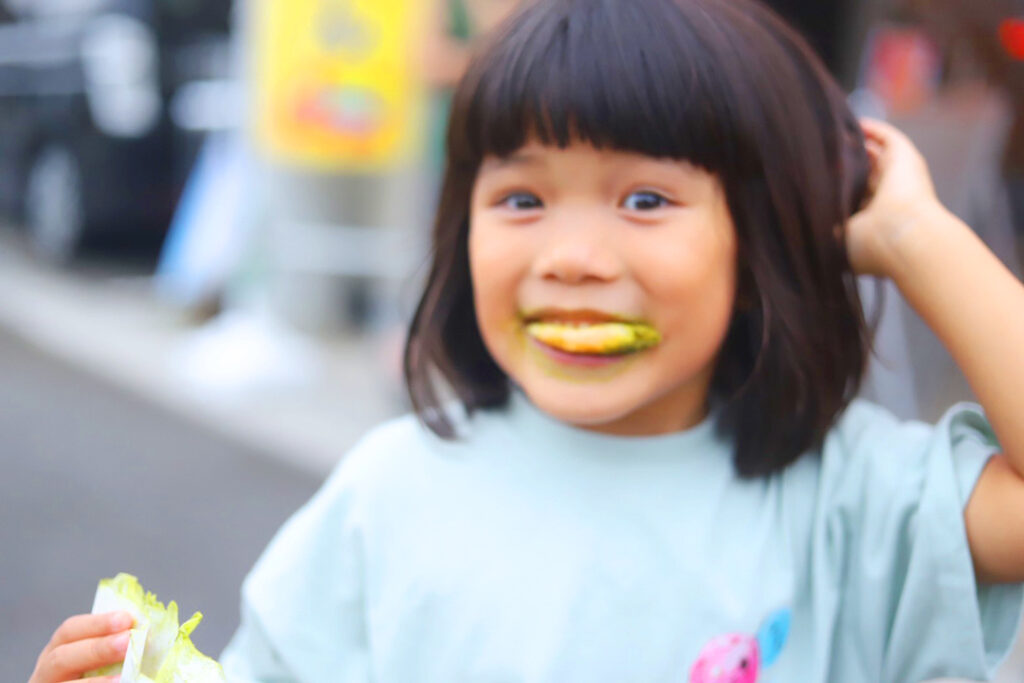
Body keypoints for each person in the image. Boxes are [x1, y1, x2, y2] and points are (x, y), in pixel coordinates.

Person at [29, 0, 1024, 681]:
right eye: (519, 196)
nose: (574, 256)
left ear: (756, 238)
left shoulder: (848, 497)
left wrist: (912, 235)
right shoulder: (390, 496)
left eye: (645, 198)